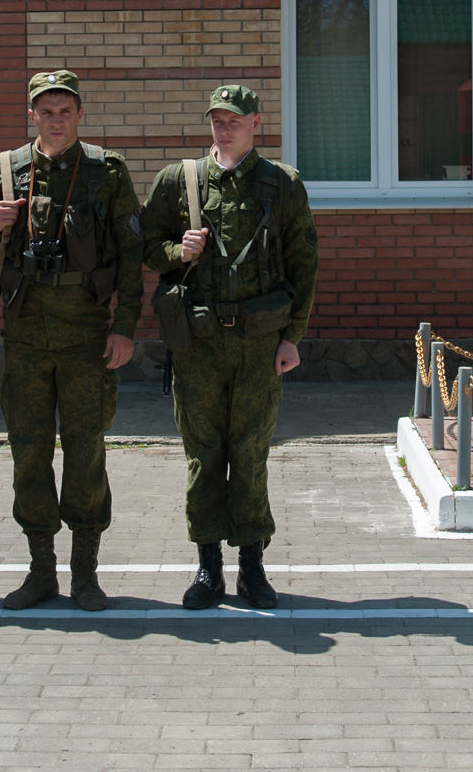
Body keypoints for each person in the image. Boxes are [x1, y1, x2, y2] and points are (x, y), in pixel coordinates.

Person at [139, 84, 316, 610]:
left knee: (251, 452)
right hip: (198, 344)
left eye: (234, 119)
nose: (224, 127)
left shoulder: (281, 183)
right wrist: (178, 248)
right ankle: (208, 567)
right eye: (217, 119)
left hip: (259, 345)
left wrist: (293, 338)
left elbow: (304, 262)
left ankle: (253, 568)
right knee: (203, 455)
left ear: (256, 123)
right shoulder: (179, 181)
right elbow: (147, 247)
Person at [0, 71, 144, 611]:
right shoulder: (6, 170)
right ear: (32, 115)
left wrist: (124, 328)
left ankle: (86, 574)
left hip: (86, 335)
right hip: (25, 335)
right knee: (28, 453)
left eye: (64, 110)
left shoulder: (106, 171)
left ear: (78, 114)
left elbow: (131, 254)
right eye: (45, 111)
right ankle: (40, 570)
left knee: (86, 451)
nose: (55, 119)